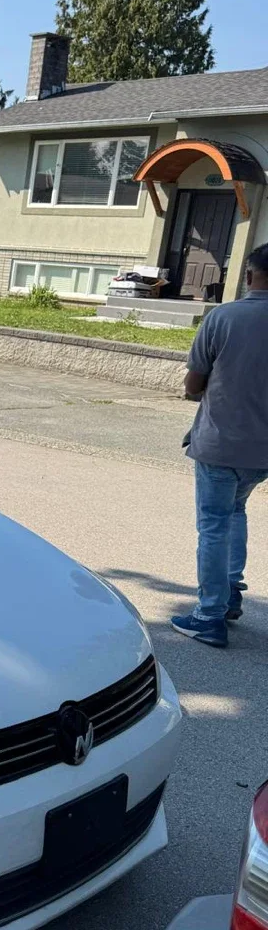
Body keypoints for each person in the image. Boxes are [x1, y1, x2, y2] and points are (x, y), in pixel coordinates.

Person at [172, 242, 268, 648]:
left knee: (213, 525)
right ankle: (229, 593)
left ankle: (209, 615)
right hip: (261, 452)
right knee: (236, 511)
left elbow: (193, 385)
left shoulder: (224, 317)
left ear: (249, 276)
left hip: (219, 444)